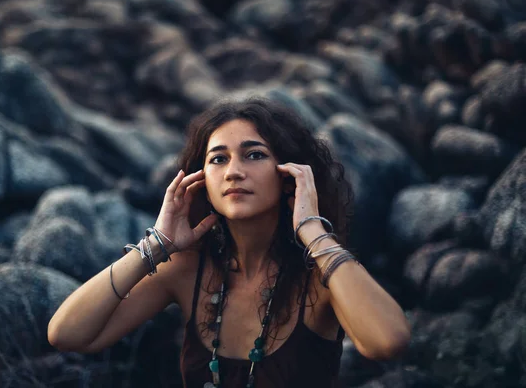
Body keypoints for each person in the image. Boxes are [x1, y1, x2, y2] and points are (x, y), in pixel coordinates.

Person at [48, 97, 411, 388]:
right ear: (200, 180)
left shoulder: (321, 274)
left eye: (255, 155)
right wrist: (156, 245)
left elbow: (387, 342)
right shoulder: (187, 270)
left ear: (289, 175)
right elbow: (67, 334)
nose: (234, 171)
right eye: (218, 159)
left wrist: (313, 231)